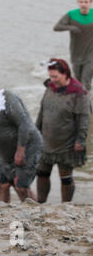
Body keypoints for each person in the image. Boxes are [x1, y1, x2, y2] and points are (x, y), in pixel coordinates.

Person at [36, 58, 90, 203]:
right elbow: (42, 111)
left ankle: (66, 205)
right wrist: (36, 131)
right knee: (41, 173)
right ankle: (40, 202)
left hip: (67, 143)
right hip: (46, 140)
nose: (52, 80)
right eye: (51, 76)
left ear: (66, 74)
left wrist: (80, 140)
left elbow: (84, 119)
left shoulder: (79, 93)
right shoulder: (50, 88)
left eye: (56, 77)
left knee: (65, 177)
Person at [54, 0, 93, 90]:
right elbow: (57, 27)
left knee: (86, 81)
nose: (83, 4)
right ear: (78, 2)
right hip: (76, 54)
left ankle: (87, 104)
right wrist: (71, 27)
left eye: (86, 2)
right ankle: (79, 101)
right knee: (77, 81)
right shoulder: (71, 15)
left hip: (91, 55)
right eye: (81, 2)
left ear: (91, 2)